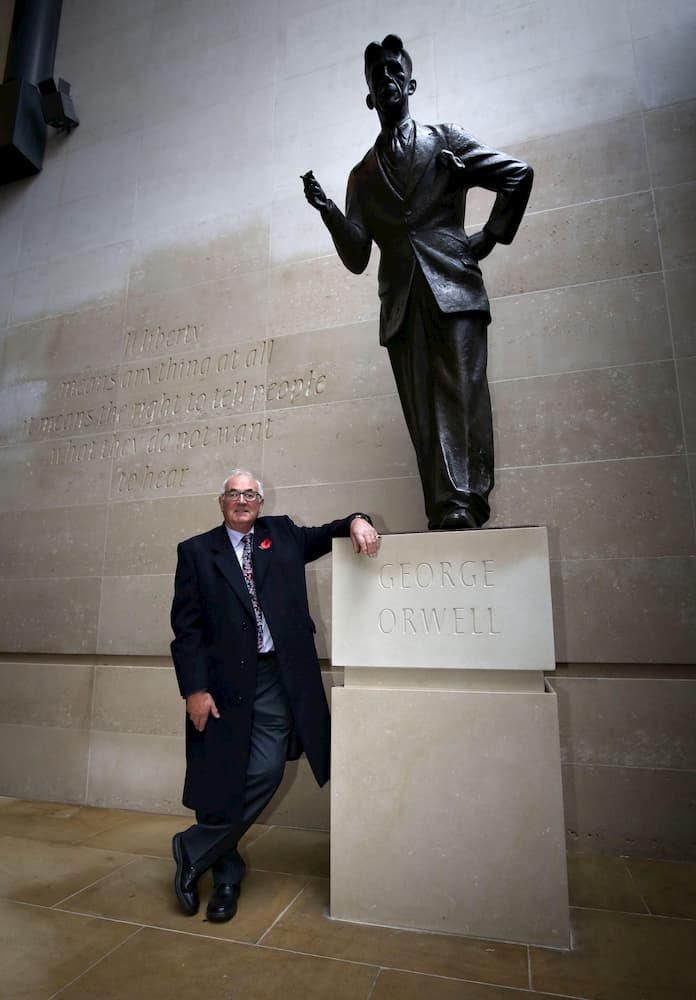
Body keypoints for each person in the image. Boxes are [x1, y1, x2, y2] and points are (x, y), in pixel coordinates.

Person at [303, 34, 533, 530]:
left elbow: (517, 174)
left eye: (392, 71)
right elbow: (358, 255)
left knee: (461, 395)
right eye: (375, 77)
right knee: (421, 411)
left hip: (454, 285)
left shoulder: (445, 139)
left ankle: (465, 503)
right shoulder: (361, 175)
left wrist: (486, 239)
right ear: (369, 97)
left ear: (410, 82)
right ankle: (442, 507)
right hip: (402, 300)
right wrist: (327, 211)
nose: (385, 80)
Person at [170, 469, 380, 922]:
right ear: (221, 501)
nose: (242, 499)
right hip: (221, 685)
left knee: (264, 770)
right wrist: (195, 689)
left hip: (274, 678)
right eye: (233, 494)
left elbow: (331, 531)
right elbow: (186, 630)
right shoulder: (195, 552)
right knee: (220, 777)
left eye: (250, 493)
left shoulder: (282, 534)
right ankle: (225, 875)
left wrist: (359, 520)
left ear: (260, 503)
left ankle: (194, 847)